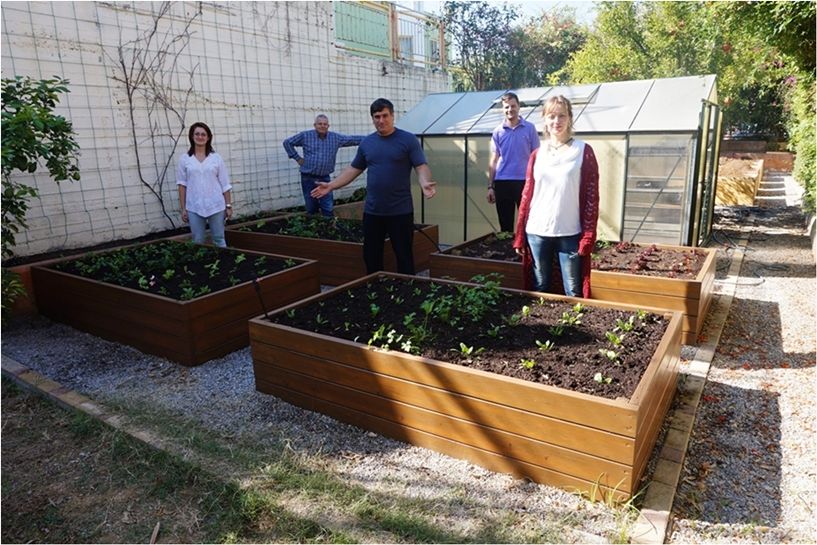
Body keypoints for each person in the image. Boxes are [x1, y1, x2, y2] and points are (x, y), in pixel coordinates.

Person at [311, 98, 436, 274]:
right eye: (377, 116)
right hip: (373, 211)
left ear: (392, 116)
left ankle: (407, 288)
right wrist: (331, 185)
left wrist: (424, 181)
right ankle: (375, 288)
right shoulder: (367, 143)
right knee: (371, 255)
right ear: (372, 118)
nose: (381, 120)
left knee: (404, 255)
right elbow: (354, 169)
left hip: (400, 211)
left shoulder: (408, 140)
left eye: (385, 115)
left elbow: (421, 166)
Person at [512, 95, 599, 298]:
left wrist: (588, 235)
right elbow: (527, 195)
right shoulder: (537, 154)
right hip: (536, 231)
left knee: (573, 291)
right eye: (551, 116)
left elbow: (592, 197)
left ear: (570, 118)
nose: (556, 121)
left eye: (561, 116)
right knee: (539, 288)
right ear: (545, 119)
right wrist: (520, 236)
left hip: (569, 232)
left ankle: (571, 329)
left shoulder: (583, 151)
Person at [283, 114, 365, 216]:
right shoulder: (305, 136)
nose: (322, 126)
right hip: (308, 178)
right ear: (315, 125)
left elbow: (352, 139)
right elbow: (287, 143)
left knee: (327, 206)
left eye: (325, 124)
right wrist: (297, 158)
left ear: (328, 126)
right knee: (311, 206)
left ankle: (329, 226)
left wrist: (373, 138)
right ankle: (314, 226)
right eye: (320, 124)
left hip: (325, 178)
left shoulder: (335, 138)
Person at [487, 91, 540, 233]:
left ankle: (526, 254)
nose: (510, 109)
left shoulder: (530, 128)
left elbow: (537, 157)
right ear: (503, 109)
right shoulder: (498, 131)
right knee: (505, 226)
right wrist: (490, 187)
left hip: (525, 182)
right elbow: (493, 160)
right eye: (506, 107)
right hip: (502, 182)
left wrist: (537, 182)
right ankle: (507, 254)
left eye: (513, 106)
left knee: (527, 223)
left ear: (518, 107)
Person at [176, 122, 233, 247]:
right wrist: (183, 208)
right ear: (192, 136)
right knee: (197, 240)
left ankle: (222, 262)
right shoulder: (185, 159)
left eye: (203, 134)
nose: (200, 137)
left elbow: (225, 183)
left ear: (208, 138)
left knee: (219, 239)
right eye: (197, 134)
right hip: (194, 206)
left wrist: (228, 205)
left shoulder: (216, 158)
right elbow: (182, 185)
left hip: (216, 205)